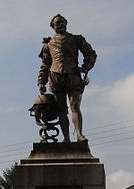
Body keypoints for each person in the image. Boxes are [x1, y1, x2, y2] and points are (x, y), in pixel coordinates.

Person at [38, 14, 97, 142]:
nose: (60, 24)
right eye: (57, 23)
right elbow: (45, 65)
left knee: (74, 105)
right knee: (61, 110)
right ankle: (66, 139)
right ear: (53, 26)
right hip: (55, 77)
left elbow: (91, 54)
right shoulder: (48, 45)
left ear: (66, 23)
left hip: (72, 76)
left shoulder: (76, 39)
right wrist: (41, 82)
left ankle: (79, 135)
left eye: (62, 22)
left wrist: (84, 68)